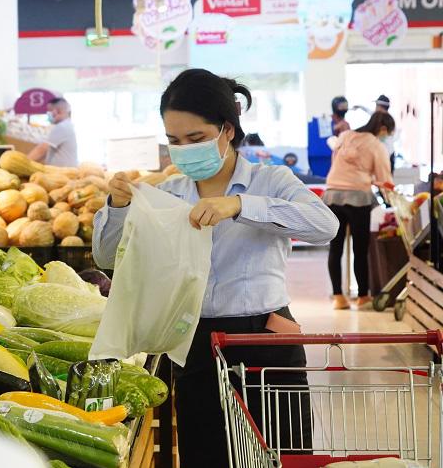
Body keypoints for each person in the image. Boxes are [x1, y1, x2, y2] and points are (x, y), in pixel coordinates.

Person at [93, 68, 338, 468]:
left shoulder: (270, 181)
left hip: (266, 338)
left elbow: (325, 226)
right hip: (195, 342)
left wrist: (241, 206)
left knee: (281, 454)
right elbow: (108, 259)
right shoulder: (168, 193)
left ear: (227, 129)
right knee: (206, 454)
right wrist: (118, 207)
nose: (184, 149)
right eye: (174, 141)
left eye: (196, 138)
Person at [324, 111, 395, 310]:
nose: (386, 137)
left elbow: (334, 162)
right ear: (382, 129)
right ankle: (363, 296)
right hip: (358, 198)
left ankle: (338, 297)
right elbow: (384, 177)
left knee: (335, 248)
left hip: (332, 196)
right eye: (388, 133)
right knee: (360, 250)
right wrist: (391, 198)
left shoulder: (345, 136)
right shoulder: (375, 145)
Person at [27, 97, 78, 167]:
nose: (48, 114)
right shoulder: (67, 125)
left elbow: (42, 150)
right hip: (63, 171)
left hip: (62, 172)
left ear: (58, 111)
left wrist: (24, 163)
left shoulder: (62, 127)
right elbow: (46, 152)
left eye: (49, 111)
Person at [375, 94, 396, 171]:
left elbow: (382, 136)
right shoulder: (386, 118)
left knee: (385, 181)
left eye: (376, 106)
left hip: (385, 155)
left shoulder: (386, 121)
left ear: (380, 107)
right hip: (385, 154)